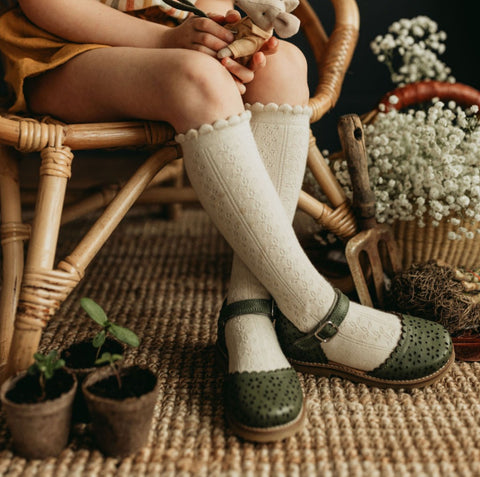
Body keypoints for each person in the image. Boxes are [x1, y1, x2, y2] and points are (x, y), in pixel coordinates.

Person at [0, 0, 454, 443]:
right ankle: (316, 314)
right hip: (67, 50)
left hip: (189, 41)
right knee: (196, 77)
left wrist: (231, 26)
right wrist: (167, 39)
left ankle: (247, 317)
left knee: (286, 66)